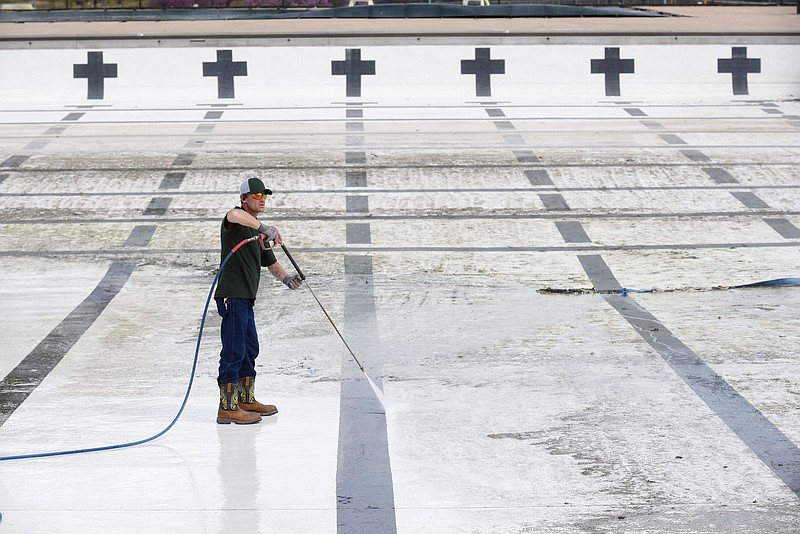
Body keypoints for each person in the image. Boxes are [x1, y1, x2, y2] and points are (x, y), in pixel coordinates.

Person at [214, 177, 303, 425]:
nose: (261, 200)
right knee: (233, 349)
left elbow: (271, 263)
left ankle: (245, 400)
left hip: (247, 297)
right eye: (256, 196)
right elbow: (233, 215)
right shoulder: (237, 221)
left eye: (264, 196)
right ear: (244, 198)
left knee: (249, 348)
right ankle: (227, 407)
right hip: (233, 294)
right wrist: (263, 227)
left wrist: (287, 279)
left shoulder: (257, 232)